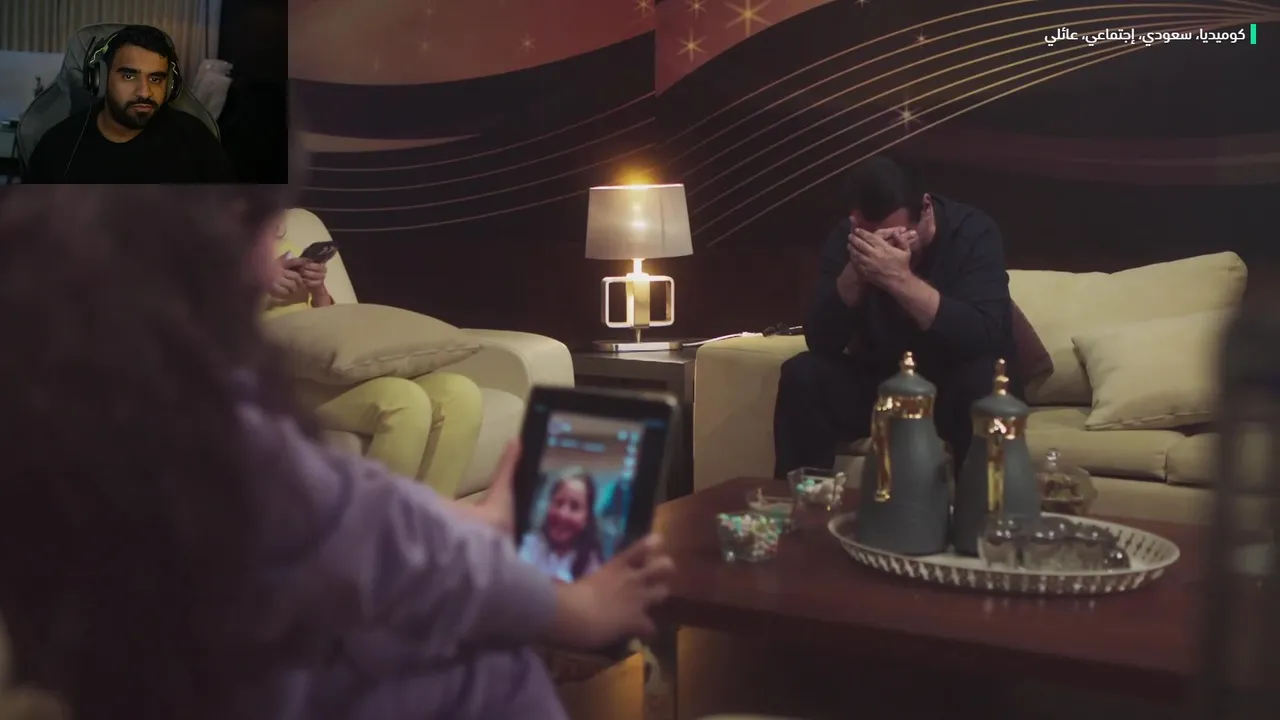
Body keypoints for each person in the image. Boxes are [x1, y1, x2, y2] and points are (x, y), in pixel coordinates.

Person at [0, 182, 673, 717]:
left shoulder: (73, 392)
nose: (278, 241)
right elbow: (371, 533)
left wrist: (474, 524)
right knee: (516, 642)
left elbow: (358, 522)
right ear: (220, 229)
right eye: (269, 226)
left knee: (454, 398)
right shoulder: (209, 440)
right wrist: (577, 611)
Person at [773, 155, 1019, 478]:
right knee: (803, 374)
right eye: (871, 237)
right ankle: (805, 501)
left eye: (896, 234)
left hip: (951, 382)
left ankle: (979, 508)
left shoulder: (973, 232)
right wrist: (853, 276)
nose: (883, 247)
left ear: (926, 209)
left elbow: (986, 335)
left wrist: (898, 279)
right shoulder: (850, 238)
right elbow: (821, 341)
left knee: (982, 381)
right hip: (882, 381)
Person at [263, 216, 484, 498]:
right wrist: (255, 284)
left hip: (331, 367)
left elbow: (329, 324)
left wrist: (319, 291)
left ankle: (428, 521)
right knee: (403, 402)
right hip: (279, 379)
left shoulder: (289, 247)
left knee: (460, 394)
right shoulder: (216, 259)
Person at [23, 25, 235, 183]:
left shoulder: (196, 141)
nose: (144, 92)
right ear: (101, 80)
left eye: (156, 79)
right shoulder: (58, 147)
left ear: (170, 85)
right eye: (129, 76)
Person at [519, 469, 606, 582]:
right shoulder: (526, 547)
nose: (563, 514)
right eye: (559, 503)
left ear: (587, 518)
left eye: (574, 507)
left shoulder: (594, 570)